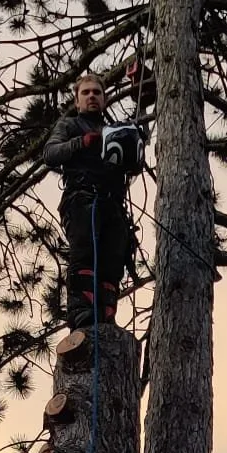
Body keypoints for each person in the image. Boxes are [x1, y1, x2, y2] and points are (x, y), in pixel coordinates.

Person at [43, 73, 144, 329]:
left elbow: (138, 148)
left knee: (113, 257)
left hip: (113, 204)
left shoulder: (114, 131)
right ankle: (80, 310)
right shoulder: (70, 125)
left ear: (104, 99)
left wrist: (141, 92)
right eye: (85, 93)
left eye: (96, 93)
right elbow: (51, 154)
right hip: (82, 197)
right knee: (85, 251)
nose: (91, 97)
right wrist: (81, 143)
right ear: (77, 101)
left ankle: (106, 311)